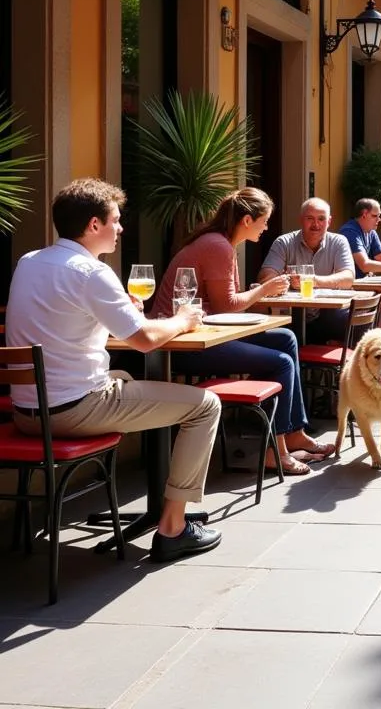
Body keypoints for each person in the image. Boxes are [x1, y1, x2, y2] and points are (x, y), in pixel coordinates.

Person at [6, 178, 223, 563]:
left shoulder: (29, 261)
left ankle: (164, 509)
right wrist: (184, 319)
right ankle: (173, 528)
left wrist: (120, 315)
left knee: (125, 381)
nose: (121, 228)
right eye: (116, 221)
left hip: (26, 414)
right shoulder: (90, 272)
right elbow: (144, 340)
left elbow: (63, 322)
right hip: (74, 411)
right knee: (205, 404)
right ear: (94, 225)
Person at [154, 188, 335, 477]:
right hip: (184, 345)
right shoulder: (218, 246)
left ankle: (293, 432)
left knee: (286, 338)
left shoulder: (222, 243)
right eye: (264, 221)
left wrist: (256, 293)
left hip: (205, 332)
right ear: (247, 220)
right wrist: (264, 290)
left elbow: (223, 304)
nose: (266, 228)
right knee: (281, 361)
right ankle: (276, 451)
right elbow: (227, 305)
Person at [257, 197, 355, 343]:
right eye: (310, 218)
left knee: (357, 326)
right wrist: (287, 281)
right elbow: (264, 278)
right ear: (301, 220)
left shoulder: (339, 242)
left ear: (329, 221)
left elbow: (348, 278)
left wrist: (313, 280)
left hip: (326, 317)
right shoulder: (284, 242)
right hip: (290, 317)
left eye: (321, 219)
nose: (316, 224)